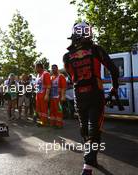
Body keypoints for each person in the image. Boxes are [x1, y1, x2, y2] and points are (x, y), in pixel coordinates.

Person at [63, 22, 119, 175]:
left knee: (85, 129)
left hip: (79, 95)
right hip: (95, 93)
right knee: (94, 129)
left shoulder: (66, 56)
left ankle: (91, 160)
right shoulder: (96, 49)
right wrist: (114, 87)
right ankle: (88, 165)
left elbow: (71, 77)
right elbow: (114, 70)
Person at [35, 62, 51, 126]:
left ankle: (44, 122)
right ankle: (41, 121)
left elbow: (48, 85)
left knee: (44, 109)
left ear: (39, 67)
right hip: (38, 95)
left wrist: (47, 95)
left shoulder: (46, 74)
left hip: (43, 94)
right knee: (39, 109)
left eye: (36, 68)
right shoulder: (38, 75)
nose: (35, 69)